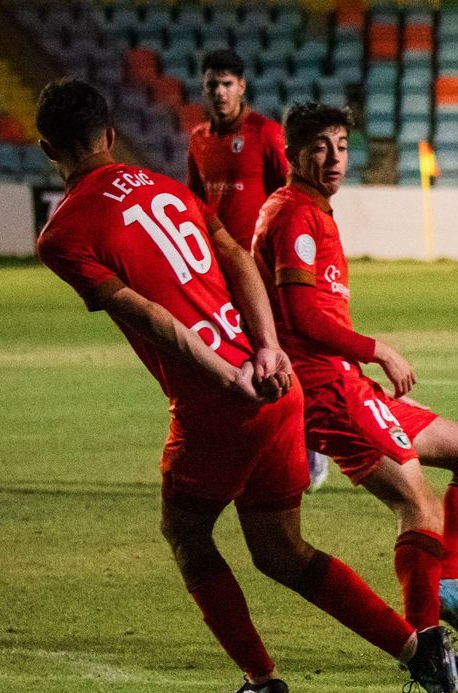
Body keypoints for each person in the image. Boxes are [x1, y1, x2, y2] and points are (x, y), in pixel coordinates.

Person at [33, 78, 458, 693]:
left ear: (48, 149)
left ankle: (262, 678)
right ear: (111, 133)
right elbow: (236, 257)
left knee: (185, 533)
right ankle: (418, 650)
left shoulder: (63, 233)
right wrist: (266, 348)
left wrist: (224, 375)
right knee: (279, 551)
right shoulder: (169, 188)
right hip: (276, 386)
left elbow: (148, 315)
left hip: (218, 405)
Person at [254, 102, 458, 660]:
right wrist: (379, 351)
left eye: (342, 145)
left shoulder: (313, 210)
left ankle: (452, 589)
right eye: (320, 146)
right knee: (418, 505)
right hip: (326, 387)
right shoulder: (294, 214)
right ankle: (427, 643)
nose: (334, 157)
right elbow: (301, 316)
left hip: (347, 383)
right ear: (293, 155)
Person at [185, 48, 330, 492]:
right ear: (204, 87)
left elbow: (294, 194)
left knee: (288, 353)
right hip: (218, 272)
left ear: (242, 87)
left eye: (228, 84)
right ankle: (257, 451)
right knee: (234, 359)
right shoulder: (199, 138)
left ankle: (313, 452)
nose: (220, 92)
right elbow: (195, 204)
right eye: (213, 84)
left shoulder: (265, 134)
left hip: (266, 270)